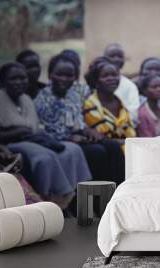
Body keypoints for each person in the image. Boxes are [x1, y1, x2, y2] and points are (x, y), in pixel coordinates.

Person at [0, 62, 91, 209]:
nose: (19, 82)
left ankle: (73, 196)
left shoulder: (26, 99)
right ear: (2, 81)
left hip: (33, 138)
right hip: (9, 142)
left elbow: (34, 129)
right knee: (44, 157)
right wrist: (18, 131)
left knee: (72, 149)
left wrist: (29, 132)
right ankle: (47, 199)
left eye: (22, 78)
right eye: (13, 78)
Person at [34, 54, 126, 185]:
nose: (64, 79)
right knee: (96, 152)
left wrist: (87, 130)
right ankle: (95, 197)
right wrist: (70, 137)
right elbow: (45, 129)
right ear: (50, 75)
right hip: (57, 141)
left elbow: (77, 122)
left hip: (76, 137)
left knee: (113, 146)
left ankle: (118, 190)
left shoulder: (73, 94)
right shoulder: (43, 98)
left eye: (69, 75)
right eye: (59, 74)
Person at [84, 56, 136, 150]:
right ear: (96, 80)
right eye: (105, 76)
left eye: (114, 75)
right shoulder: (89, 105)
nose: (111, 79)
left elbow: (131, 135)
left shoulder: (121, 105)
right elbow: (103, 137)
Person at [103, 43, 140, 124]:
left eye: (120, 56)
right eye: (112, 56)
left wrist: (116, 123)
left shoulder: (130, 86)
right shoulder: (96, 83)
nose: (116, 59)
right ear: (104, 58)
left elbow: (133, 113)